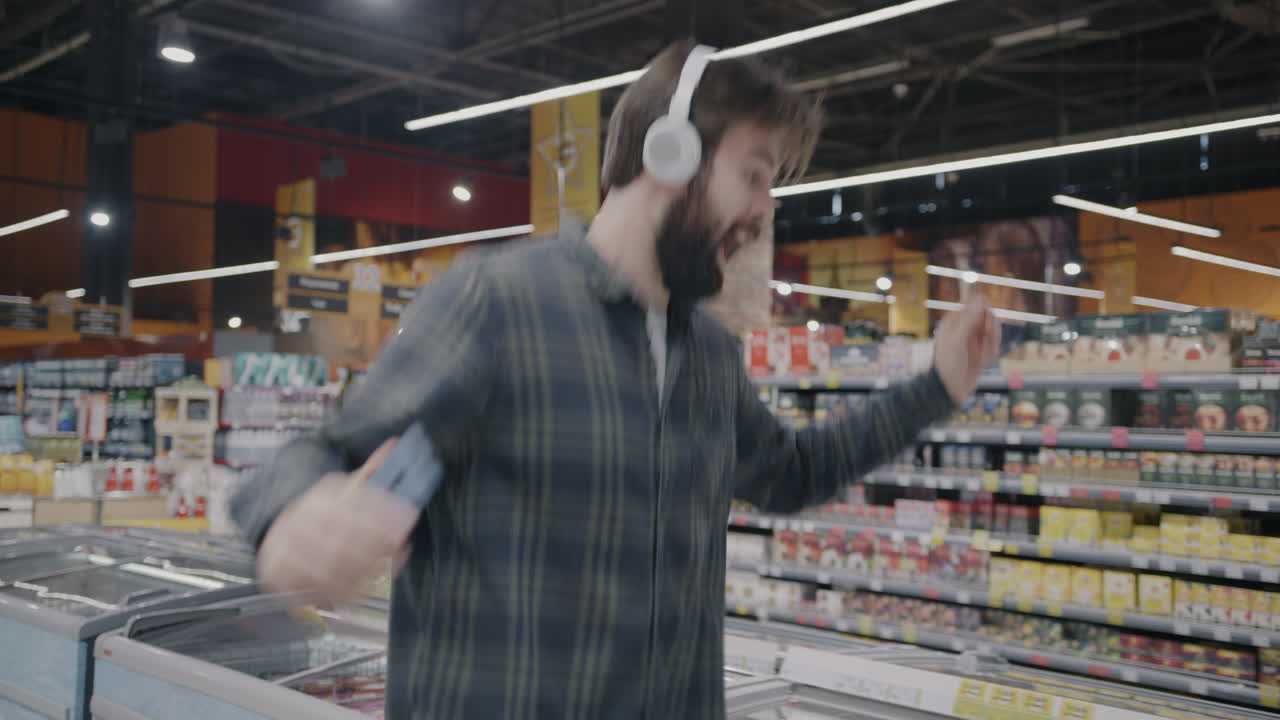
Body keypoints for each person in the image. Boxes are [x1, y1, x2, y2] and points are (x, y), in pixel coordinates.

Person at [231, 39, 999, 720]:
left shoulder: (708, 356)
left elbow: (794, 472)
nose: (767, 212)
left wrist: (938, 384)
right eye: (755, 176)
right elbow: (330, 450)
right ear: (669, 155)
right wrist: (298, 514)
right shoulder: (499, 303)